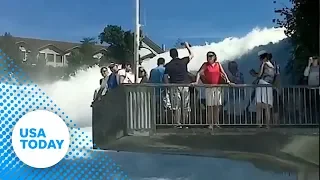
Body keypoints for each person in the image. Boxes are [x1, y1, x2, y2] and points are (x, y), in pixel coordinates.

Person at [194, 51, 232, 129]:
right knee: (210, 106)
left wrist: (227, 80)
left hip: (217, 87)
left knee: (217, 106)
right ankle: (210, 123)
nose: (209, 58)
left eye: (211, 56)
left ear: (214, 57)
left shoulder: (218, 64)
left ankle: (216, 122)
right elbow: (199, 73)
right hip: (209, 87)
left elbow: (223, 73)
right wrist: (196, 81)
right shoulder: (205, 65)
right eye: (208, 56)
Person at [164, 42, 194, 128]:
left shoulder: (168, 65)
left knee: (176, 106)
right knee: (185, 105)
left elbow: (166, 77)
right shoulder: (183, 61)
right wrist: (187, 46)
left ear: (170, 56)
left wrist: (168, 86)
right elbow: (192, 55)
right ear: (177, 54)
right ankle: (186, 123)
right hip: (185, 85)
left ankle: (178, 123)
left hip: (174, 86)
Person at [250, 50, 275, 128]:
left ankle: (259, 123)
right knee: (267, 105)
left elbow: (259, 75)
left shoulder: (264, 64)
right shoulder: (272, 65)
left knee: (259, 105)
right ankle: (267, 124)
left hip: (262, 84)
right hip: (269, 85)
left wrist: (254, 73)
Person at [303, 56, 319, 123]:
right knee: (311, 106)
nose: (314, 61)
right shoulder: (310, 68)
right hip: (310, 90)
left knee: (317, 106)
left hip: (317, 89)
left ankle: (317, 121)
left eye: (315, 60)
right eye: (313, 60)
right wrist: (309, 64)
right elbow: (305, 74)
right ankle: (311, 121)